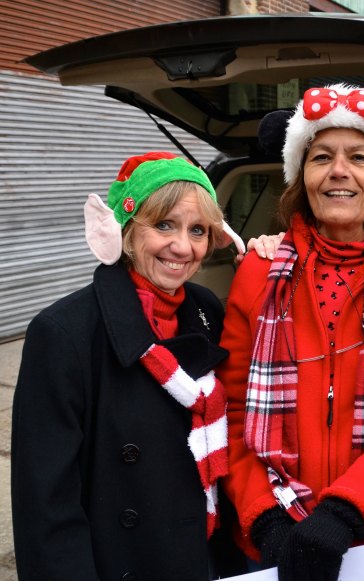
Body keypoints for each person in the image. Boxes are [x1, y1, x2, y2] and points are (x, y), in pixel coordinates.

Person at [217, 85, 364, 581]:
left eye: (359, 157)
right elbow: (234, 413)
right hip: (273, 537)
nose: (339, 172)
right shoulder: (257, 274)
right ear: (300, 176)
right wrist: (264, 517)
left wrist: (345, 512)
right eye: (321, 156)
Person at [11, 152, 248, 581]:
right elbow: (46, 506)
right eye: (164, 225)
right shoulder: (63, 333)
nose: (182, 247)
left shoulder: (207, 311)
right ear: (128, 230)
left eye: (197, 230)